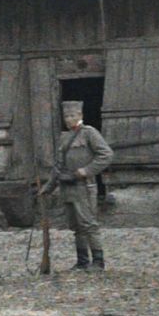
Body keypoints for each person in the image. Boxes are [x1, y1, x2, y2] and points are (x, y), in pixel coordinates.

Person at [49, 100, 114, 271]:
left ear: (80, 116)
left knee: (89, 224)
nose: (68, 119)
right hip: (67, 188)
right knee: (76, 227)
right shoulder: (64, 137)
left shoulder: (89, 133)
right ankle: (82, 262)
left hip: (84, 187)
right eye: (66, 116)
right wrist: (48, 187)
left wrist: (86, 171)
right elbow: (58, 166)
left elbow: (106, 155)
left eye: (72, 115)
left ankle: (98, 262)